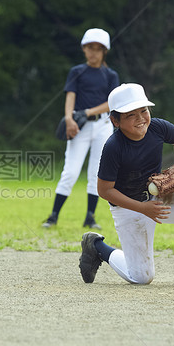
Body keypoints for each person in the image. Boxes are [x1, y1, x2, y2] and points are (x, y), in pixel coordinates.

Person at [79, 83, 174, 285]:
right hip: (128, 206)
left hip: (159, 196)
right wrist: (142, 208)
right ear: (115, 120)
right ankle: (96, 246)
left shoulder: (157, 127)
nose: (140, 118)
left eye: (143, 110)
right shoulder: (114, 147)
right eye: (130, 114)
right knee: (141, 277)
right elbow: (104, 190)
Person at [42, 28, 119, 229]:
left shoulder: (110, 75)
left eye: (98, 48)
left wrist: (86, 112)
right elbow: (70, 96)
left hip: (102, 125)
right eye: (89, 48)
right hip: (79, 125)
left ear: (104, 51)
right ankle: (53, 216)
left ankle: (90, 217)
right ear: (84, 49)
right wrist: (69, 119)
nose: (93, 52)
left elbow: (112, 103)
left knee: (96, 172)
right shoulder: (77, 71)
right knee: (71, 171)